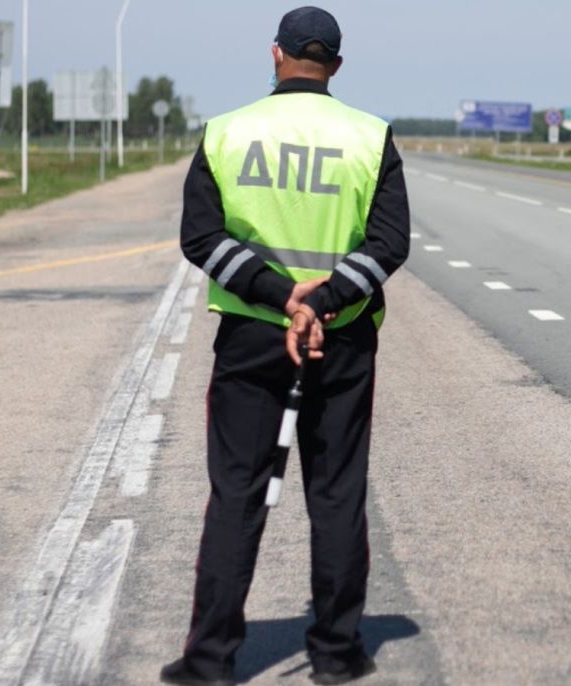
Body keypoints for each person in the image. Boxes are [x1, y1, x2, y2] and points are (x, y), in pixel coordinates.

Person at [161, 6, 409, 685]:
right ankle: (334, 655)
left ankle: (209, 660)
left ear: (275, 56)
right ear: (335, 63)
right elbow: (390, 244)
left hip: (251, 337)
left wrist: (281, 297)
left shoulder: (226, 133)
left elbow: (202, 238)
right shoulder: (370, 136)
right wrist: (322, 301)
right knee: (335, 494)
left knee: (236, 493)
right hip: (344, 338)